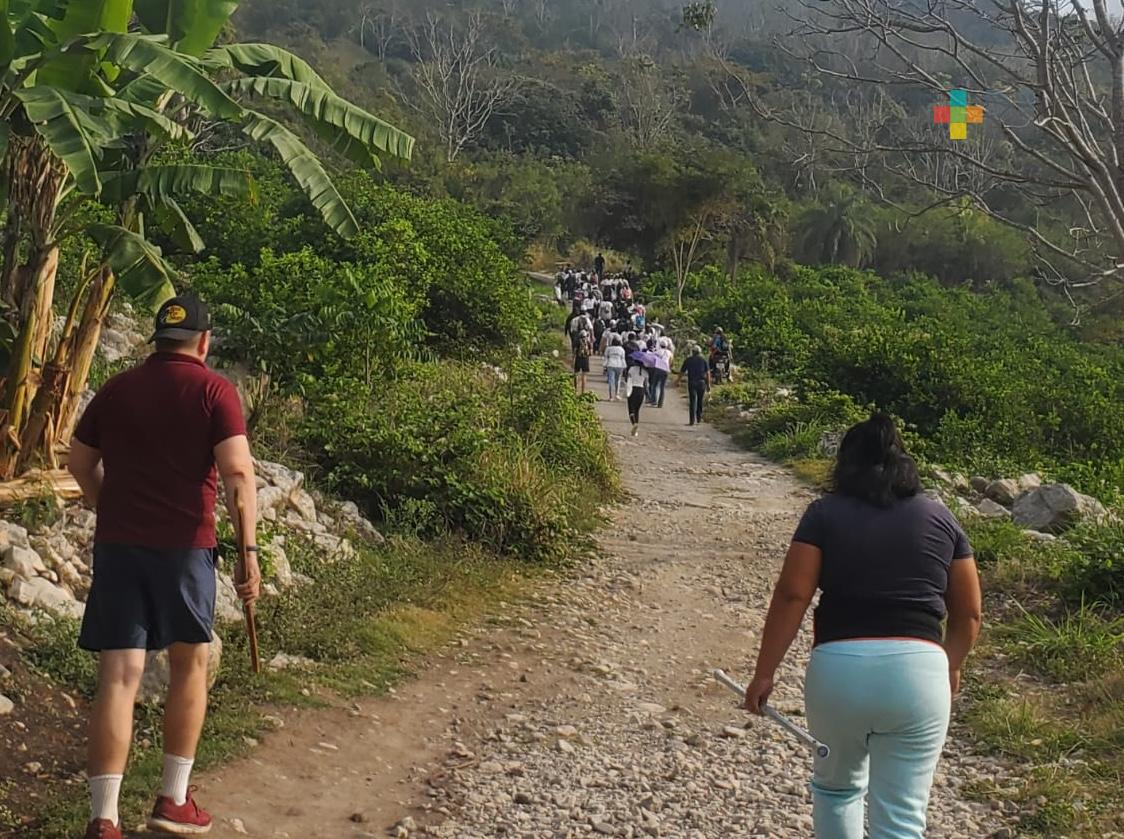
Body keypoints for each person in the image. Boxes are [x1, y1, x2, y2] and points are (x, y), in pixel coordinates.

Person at [69, 295, 261, 839]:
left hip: (120, 549)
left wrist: (107, 505)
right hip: (185, 551)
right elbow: (238, 477)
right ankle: (172, 801)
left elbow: (79, 462)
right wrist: (248, 554)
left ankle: (103, 818)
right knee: (188, 666)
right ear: (204, 342)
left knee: (119, 676)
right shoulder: (214, 391)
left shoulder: (118, 389)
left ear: (157, 340)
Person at [743, 415, 982, 839]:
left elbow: (793, 595)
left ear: (845, 464)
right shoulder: (941, 518)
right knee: (903, 815)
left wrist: (765, 672)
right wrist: (950, 666)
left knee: (836, 791)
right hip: (920, 672)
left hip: (840, 671)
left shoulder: (823, 515)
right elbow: (969, 615)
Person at [677, 345, 711, 425]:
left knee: (692, 402)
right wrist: (708, 384)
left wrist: (678, 381)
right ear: (700, 352)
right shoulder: (704, 360)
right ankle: (698, 419)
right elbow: (708, 373)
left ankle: (691, 421)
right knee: (700, 401)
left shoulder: (688, 360)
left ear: (692, 352)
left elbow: (682, 371)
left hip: (692, 382)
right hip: (702, 383)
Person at [623, 357, 649, 437]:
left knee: (631, 409)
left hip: (632, 389)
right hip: (641, 391)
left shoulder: (631, 369)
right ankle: (635, 428)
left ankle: (634, 424)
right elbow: (646, 385)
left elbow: (628, 379)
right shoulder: (645, 372)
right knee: (637, 410)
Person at [574, 328, 593, 394]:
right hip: (585, 359)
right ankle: (583, 391)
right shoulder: (588, 342)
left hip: (578, 359)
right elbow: (591, 353)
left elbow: (574, 351)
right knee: (584, 375)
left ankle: (576, 390)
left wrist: (573, 359)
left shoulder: (577, 341)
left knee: (576, 374)